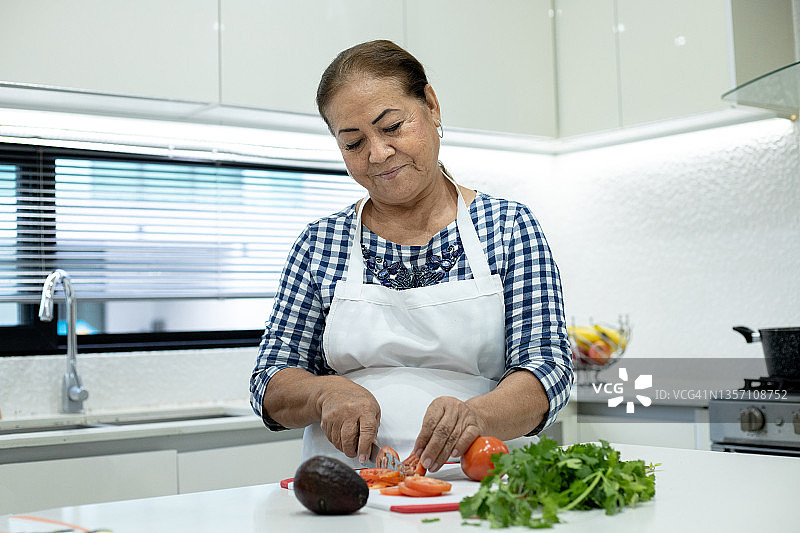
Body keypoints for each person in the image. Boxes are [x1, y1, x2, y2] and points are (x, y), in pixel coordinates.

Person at [250, 40, 573, 473]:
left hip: (475, 486)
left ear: (431, 106)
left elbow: (548, 369)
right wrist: (324, 393)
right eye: (353, 142)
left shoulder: (508, 227)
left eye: (392, 126)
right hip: (344, 492)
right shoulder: (320, 242)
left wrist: (478, 415)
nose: (377, 154)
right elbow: (270, 378)